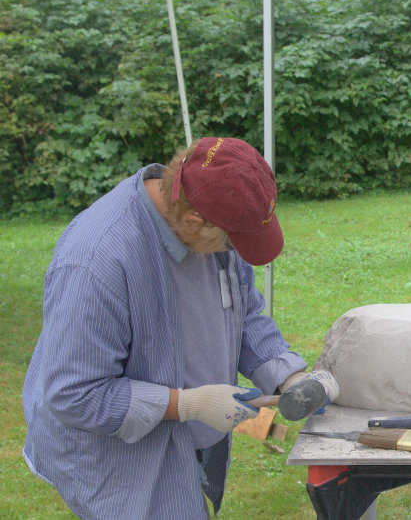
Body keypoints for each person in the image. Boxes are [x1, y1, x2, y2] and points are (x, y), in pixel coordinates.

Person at [22, 137, 339, 519]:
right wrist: (188, 405)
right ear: (194, 222)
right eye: (231, 242)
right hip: (119, 450)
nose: (235, 252)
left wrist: (287, 377)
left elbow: (244, 313)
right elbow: (74, 394)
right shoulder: (96, 260)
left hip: (182, 434)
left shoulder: (209, 220)